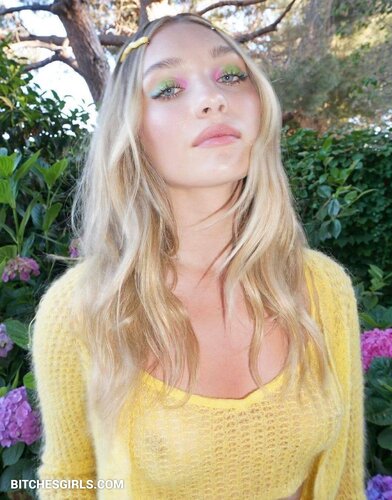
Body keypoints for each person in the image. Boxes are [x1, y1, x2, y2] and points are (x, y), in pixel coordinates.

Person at [30, 12, 367, 500]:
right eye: (168, 88)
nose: (213, 98)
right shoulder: (82, 310)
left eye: (230, 75)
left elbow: (345, 481)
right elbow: (68, 481)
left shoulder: (324, 289)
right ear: (131, 132)